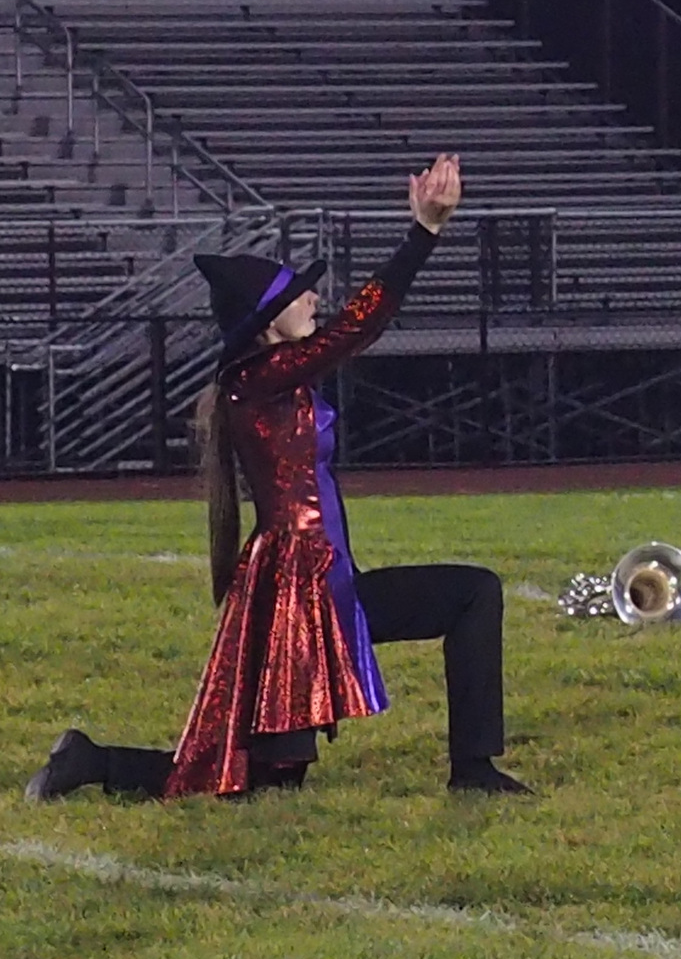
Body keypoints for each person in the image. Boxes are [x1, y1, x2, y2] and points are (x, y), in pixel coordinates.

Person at [26, 154, 530, 802]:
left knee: (473, 593)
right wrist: (423, 233)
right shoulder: (254, 380)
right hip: (294, 593)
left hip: (327, 590)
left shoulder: (274, 377)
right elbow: (360, 324)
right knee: (256, 780)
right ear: (267, 324)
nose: (315, 297)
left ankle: (475, 769)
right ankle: (93, 761)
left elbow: (346, 333)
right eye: (298, 294)